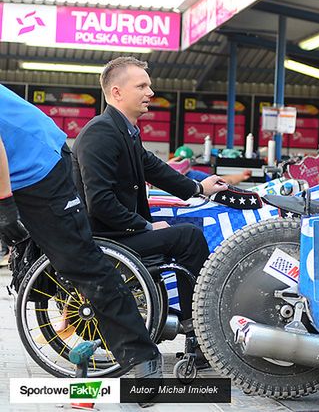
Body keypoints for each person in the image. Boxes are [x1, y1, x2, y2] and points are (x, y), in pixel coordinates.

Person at [0, 83, 162, 378]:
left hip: (39, 166)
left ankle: (141, 356)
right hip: (15, 165)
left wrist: (5, 203)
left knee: (79, 260)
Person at [72, 57, 228, 355]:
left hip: (117, 232)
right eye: (141, 86)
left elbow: (154, 168)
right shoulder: (100, 134)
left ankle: (195, 324)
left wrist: (199, 187)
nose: (150, 92)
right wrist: (144, 225)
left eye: (149, 85)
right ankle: (198, 327)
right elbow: (100, 202)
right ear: (117, 92)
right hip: (105, 238)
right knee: (188, 238)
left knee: (184, 231)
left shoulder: (125, 131)